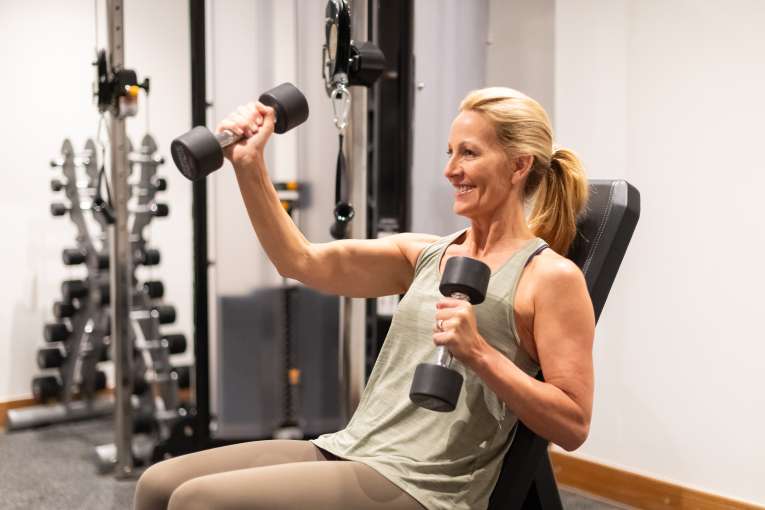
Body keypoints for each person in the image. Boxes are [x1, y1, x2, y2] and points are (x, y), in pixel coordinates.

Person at [133, 87, 594, 510]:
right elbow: (300, 261)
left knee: (199, 503)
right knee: (157, 485)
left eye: (469, 154)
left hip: (424, 482)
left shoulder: (549, 277)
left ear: (519, 165)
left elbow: (573, 423)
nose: (451, 169)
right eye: (450, 152)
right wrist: (249, 166)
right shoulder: (428, 254)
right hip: (356, 447)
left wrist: (480, 354)